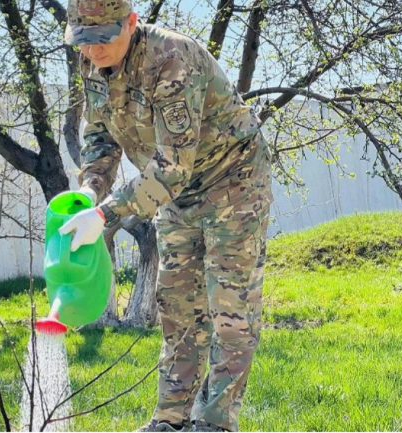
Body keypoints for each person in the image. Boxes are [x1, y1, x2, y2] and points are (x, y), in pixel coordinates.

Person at [56, 0, 274, 431]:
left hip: (233, 181)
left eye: (102, 38)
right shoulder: (92, 62)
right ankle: (171, 420)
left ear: (131, 23)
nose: (93, 51)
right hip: (176, 194)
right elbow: (100, 135)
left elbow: (173, 168)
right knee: (177, 306)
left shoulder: (171, 59)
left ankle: (214, 422)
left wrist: (105, 215)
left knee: (229, 312)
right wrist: (90, 188)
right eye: (83, 41)